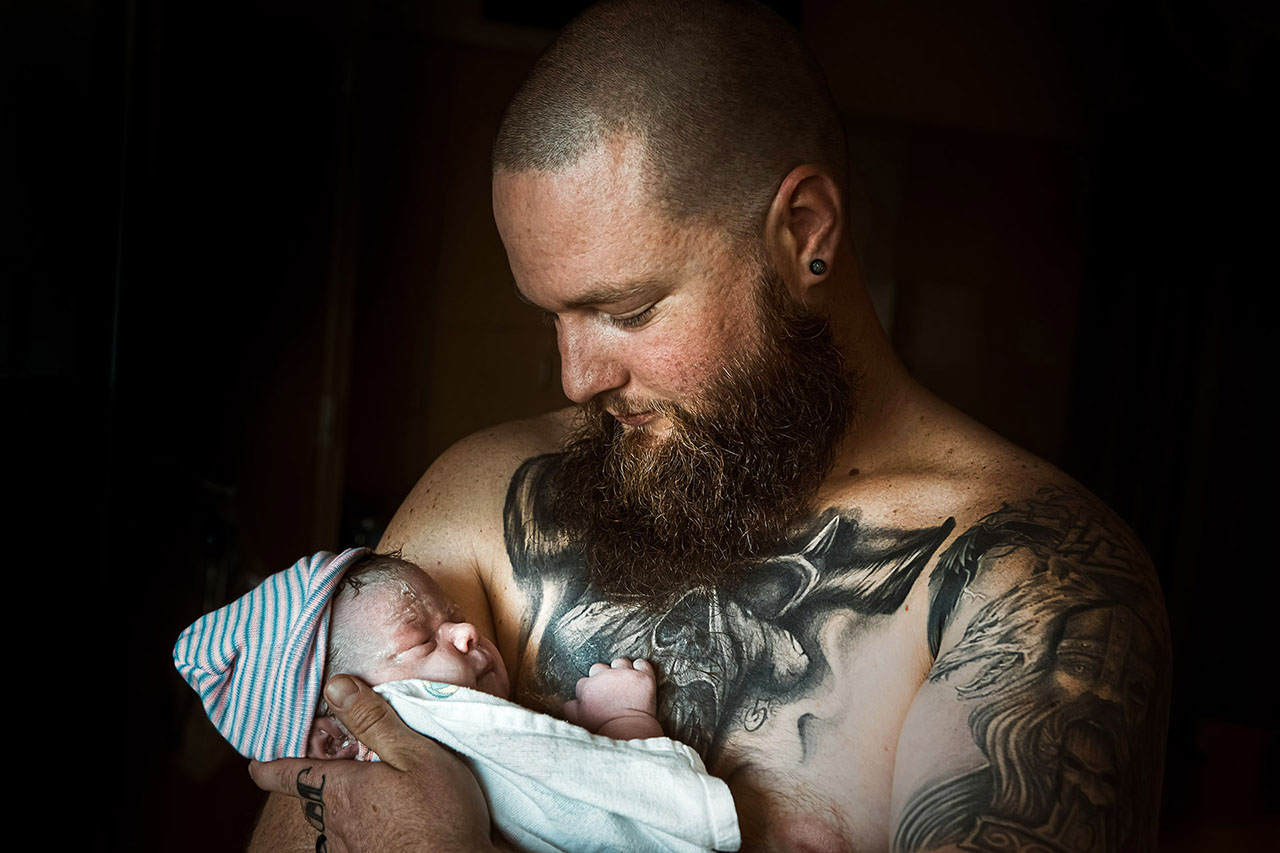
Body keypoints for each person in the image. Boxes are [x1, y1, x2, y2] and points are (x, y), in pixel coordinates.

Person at [248, 1, 1171, 850]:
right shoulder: (484, 494)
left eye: (629, 309)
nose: (577, 379)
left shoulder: (1029, 582)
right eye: (552, 316)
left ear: (804, 229)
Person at [174, 548, 740, 853]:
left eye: (455, 615)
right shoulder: (424, 720)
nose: (467, 633)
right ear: (338, 735)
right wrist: (624, 722)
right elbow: (624, 816)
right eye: (422, 638)